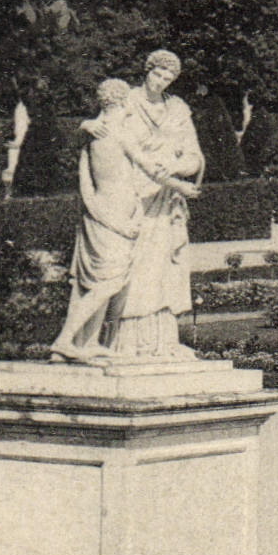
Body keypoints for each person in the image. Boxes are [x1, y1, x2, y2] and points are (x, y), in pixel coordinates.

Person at [86, 49, 205, 361]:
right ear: (147, 70)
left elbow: (194, 158)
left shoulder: (178, 109)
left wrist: (175, 168)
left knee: (163, 270)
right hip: (132, 198)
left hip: (166, 200)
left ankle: (162, 343)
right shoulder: (127, 101)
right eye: (158, 73)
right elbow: (101, 130)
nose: (161, 81)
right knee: (131, 269)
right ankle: (122, 342)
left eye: (168, 77)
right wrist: (84, 126)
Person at [48, 79, 144, 364]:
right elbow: (151, 168)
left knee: (97, 282)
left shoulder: (91, 136)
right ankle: (64, 340)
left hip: (102, 213)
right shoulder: (120, 134)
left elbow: (86, 187)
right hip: (112, 218)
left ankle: (87, 342)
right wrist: (182, 185)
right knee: (110, 281)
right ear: (124, 102)